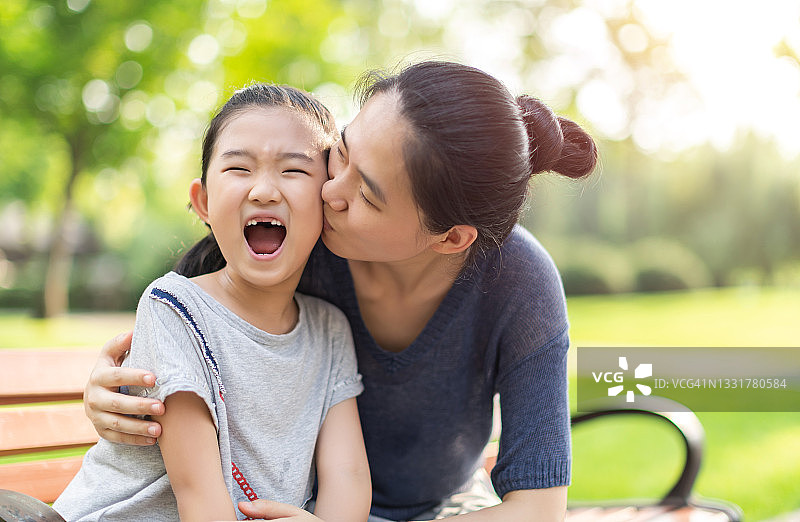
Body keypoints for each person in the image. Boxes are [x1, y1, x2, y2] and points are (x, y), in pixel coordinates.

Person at [83, 61, 598, 521]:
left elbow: (537, 506)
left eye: (367, 195)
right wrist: (117, 391)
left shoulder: (519, 281)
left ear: (450, 238)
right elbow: (197, 321)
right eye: (341, 154)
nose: (330, 192)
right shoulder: (301, 241)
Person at [54, 84, 371, 522]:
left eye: (294, 171)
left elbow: (348, 476)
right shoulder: (174, 308)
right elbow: (198, 496)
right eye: (239, 168)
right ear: (203, 202)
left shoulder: (329, 329)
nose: (264, 190)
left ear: (327, 202)